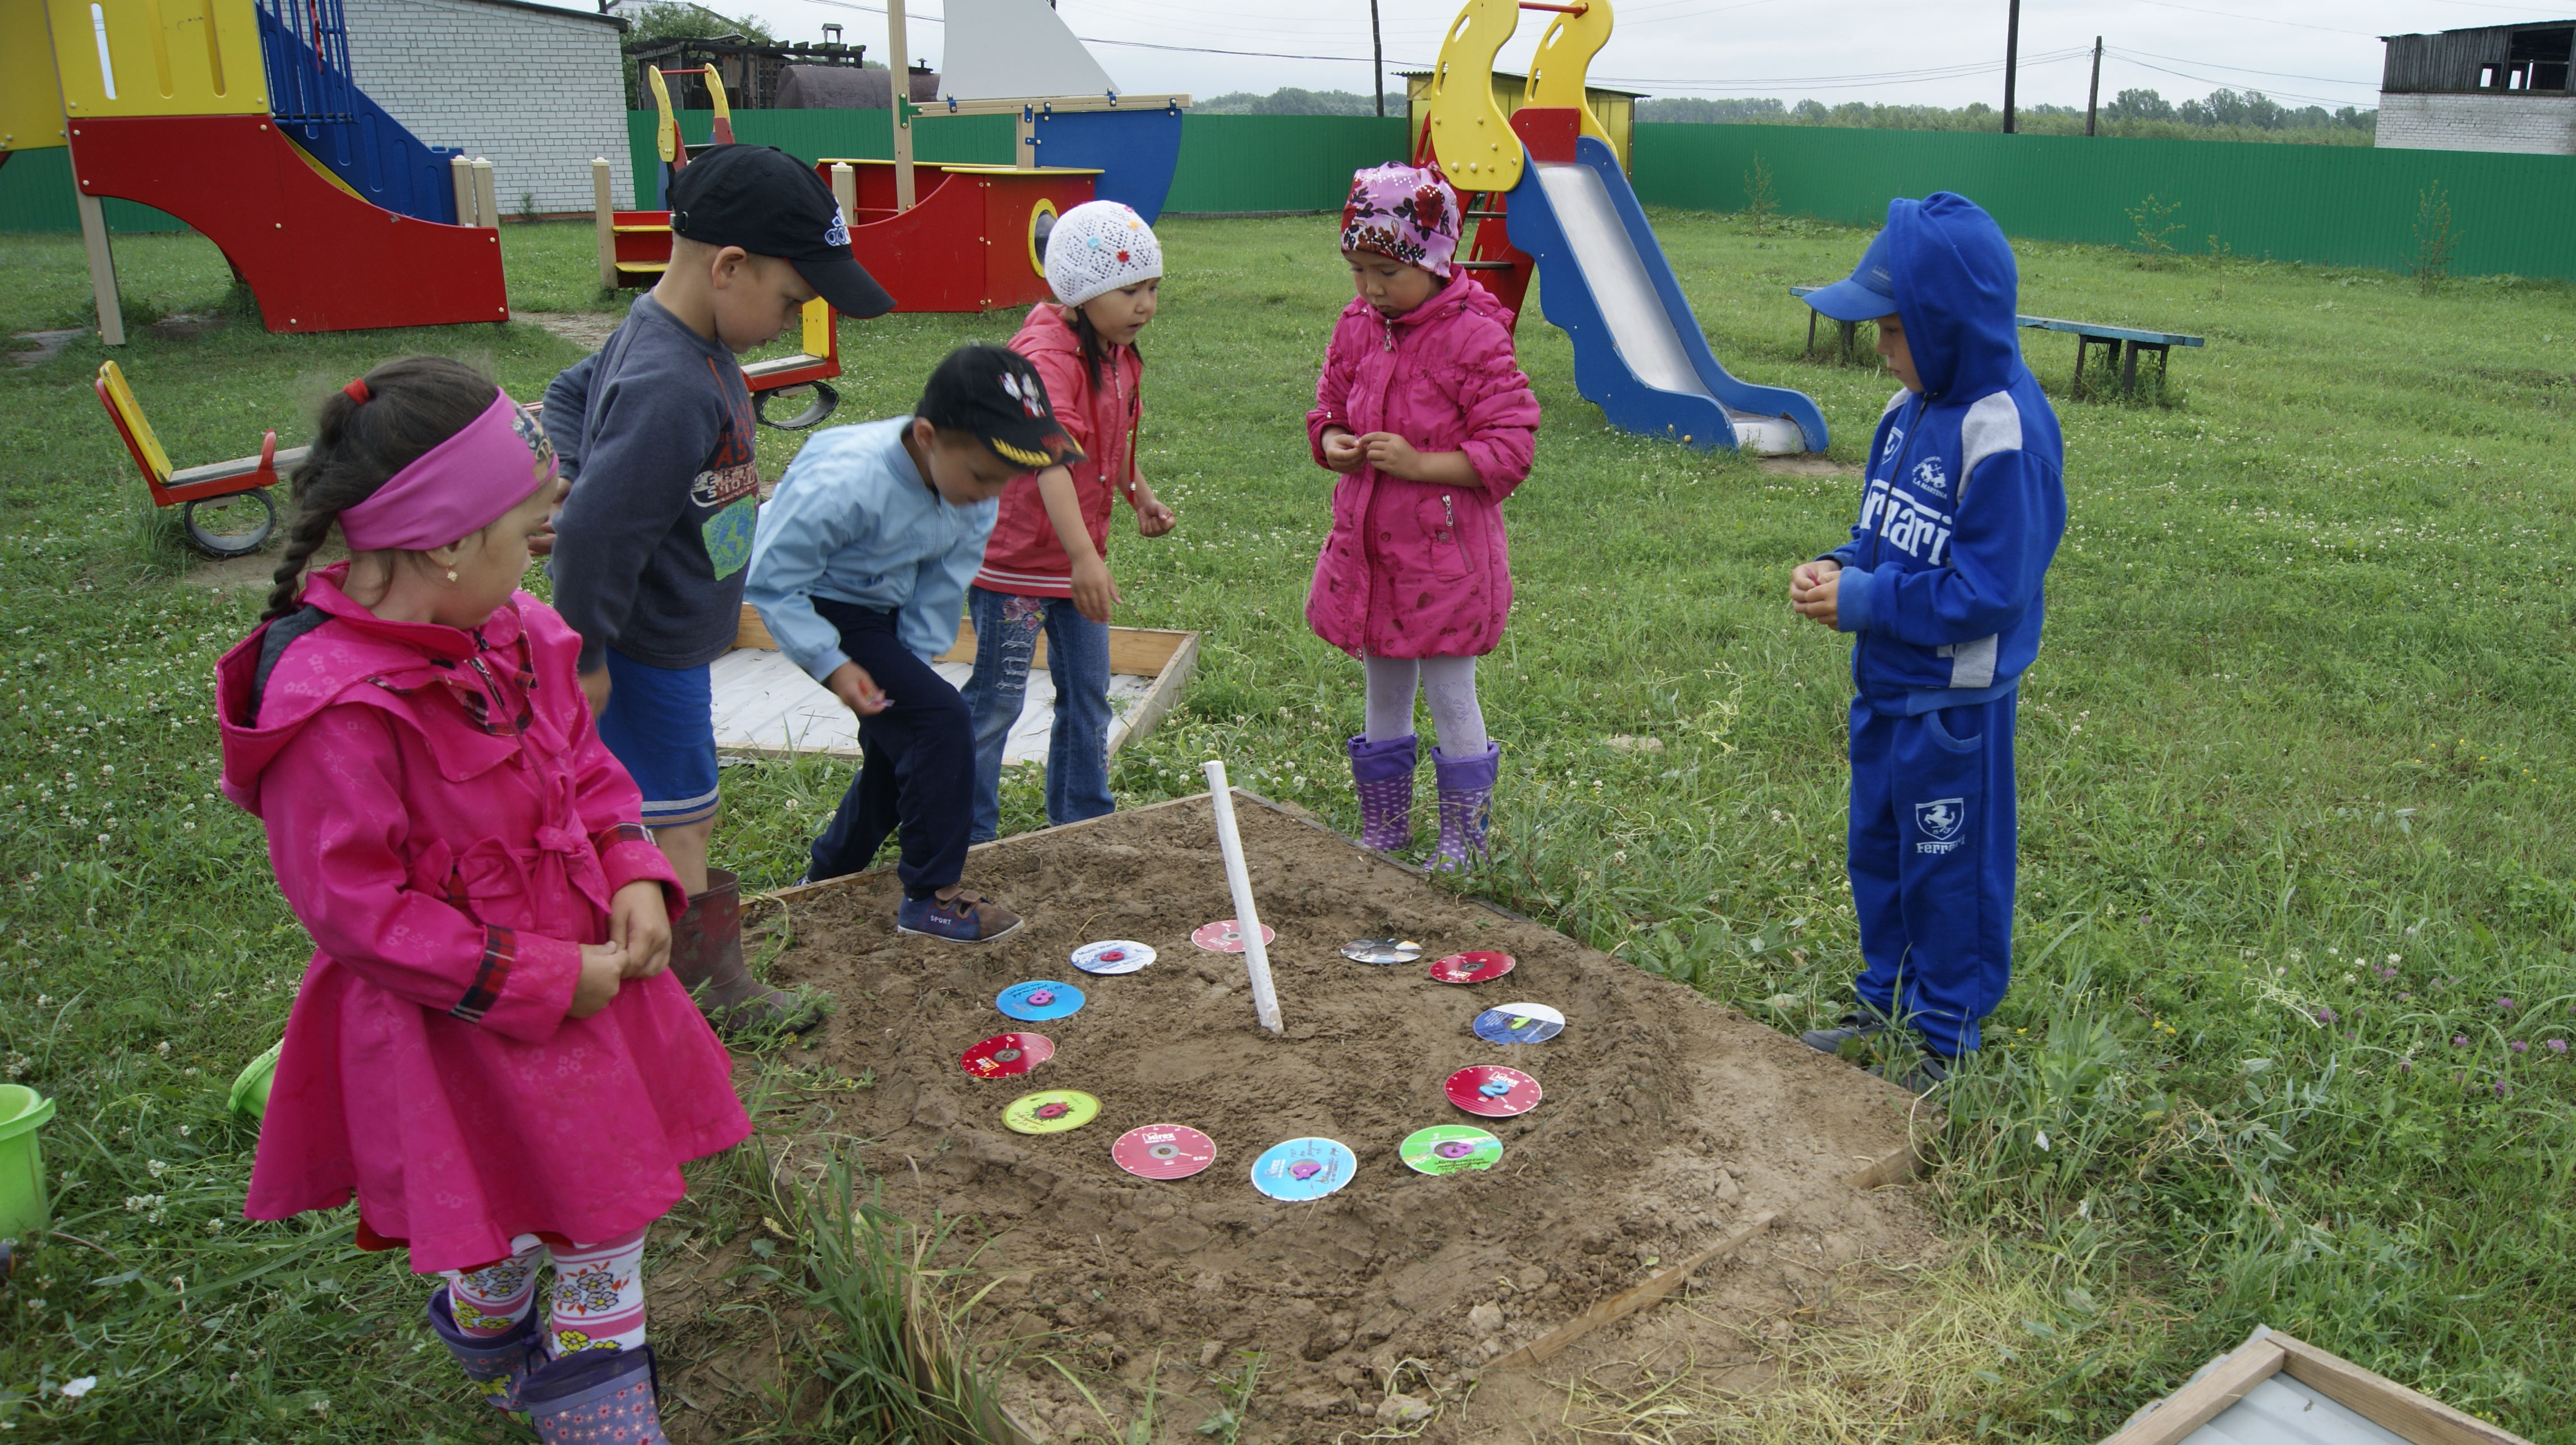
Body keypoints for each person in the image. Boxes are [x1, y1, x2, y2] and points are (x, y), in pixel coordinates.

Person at [219, 357, 749, 1441]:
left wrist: (631, 866)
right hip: (464, 1016)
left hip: (584, 976)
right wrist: (544, 976)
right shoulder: (339, 708)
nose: (541, 546)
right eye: (527, 526)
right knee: (517, 1196)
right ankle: (526, 1351)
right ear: (446, 544)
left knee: (602, 1208)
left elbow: (586, 768)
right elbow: (357, 913)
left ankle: (569, 1378)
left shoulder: (516, 632)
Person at [541, 144, 895, 1033]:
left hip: (672, 630)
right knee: (681, 815)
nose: (790, 320)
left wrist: (575, 470)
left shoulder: (678, 340)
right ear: (729, 267)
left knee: (665, 801)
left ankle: (670, 973)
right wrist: (584, 656)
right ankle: (699, 992)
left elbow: (567, 393)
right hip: (644, 642)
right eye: (791, 300)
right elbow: (592, 536)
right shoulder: (671, 380)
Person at [1787, 193, 2068, 1092]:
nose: (1881, 348)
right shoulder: (1906, 410)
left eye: (1892, 330)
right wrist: (1841, 566)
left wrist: (1868, 599)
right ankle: (1886, 1008)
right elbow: (1880, 532)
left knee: (1952, 876)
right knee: (1881, 858)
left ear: (1946, 324)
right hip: (1886, 691)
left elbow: (1989, 593)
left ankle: (1945, 1042)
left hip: (1954, 713)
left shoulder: (2005, 434)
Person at [744, 345, 1083, 941]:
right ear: (927, 437)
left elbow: (942, 581)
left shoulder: (971, 489)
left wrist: (912, 664)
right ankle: (931, 896)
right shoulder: (843, 482)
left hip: (887, 599)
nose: (993, 492)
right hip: (819, 597)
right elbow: (773, 582)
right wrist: (833, 662)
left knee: (899, 745)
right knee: (941, 721)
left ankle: (827, 872)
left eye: (1006, 478)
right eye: (983, 476)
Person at [1308, 162, 1540, 870]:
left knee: (1448, 688)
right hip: (1372, 554)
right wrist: (1332, 440)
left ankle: (1464, 840)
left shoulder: (1474, 337)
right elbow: (1328, 404)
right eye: (1357, 270)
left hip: (1444, 561)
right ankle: (1384, 825)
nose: (1370, 288)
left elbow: (1510, 449)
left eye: (1387, 271)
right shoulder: (1358, 325)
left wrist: (1419, 464)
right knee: (1382, 682)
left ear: (1433, 260)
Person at [964, 200, 1178, 841]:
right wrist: (1086, 558)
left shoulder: (1115, 351)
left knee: (1087, 692)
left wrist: (1139, 495)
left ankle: (1081, 821)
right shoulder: (1044, 360)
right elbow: (1050, 463)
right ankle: (966, 832)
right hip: (1015, 565)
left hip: (1076, 562)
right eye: (1130, 291)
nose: (1145, 305)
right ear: (1079, 292)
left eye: (1152, 289)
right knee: (996, 700)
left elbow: (1105, 445)